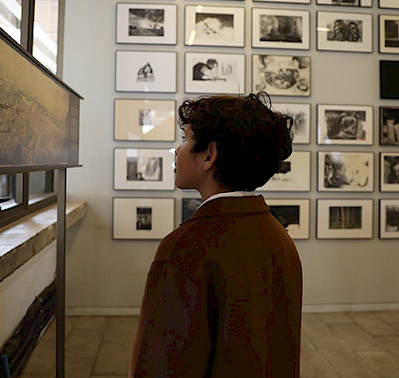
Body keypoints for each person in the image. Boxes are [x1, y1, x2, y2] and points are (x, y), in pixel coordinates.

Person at [130, 92, 303, 377]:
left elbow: (162, 363)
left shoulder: (184, 247)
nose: (177, 149)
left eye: (185, 139)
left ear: (209, 155)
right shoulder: (278, 235)